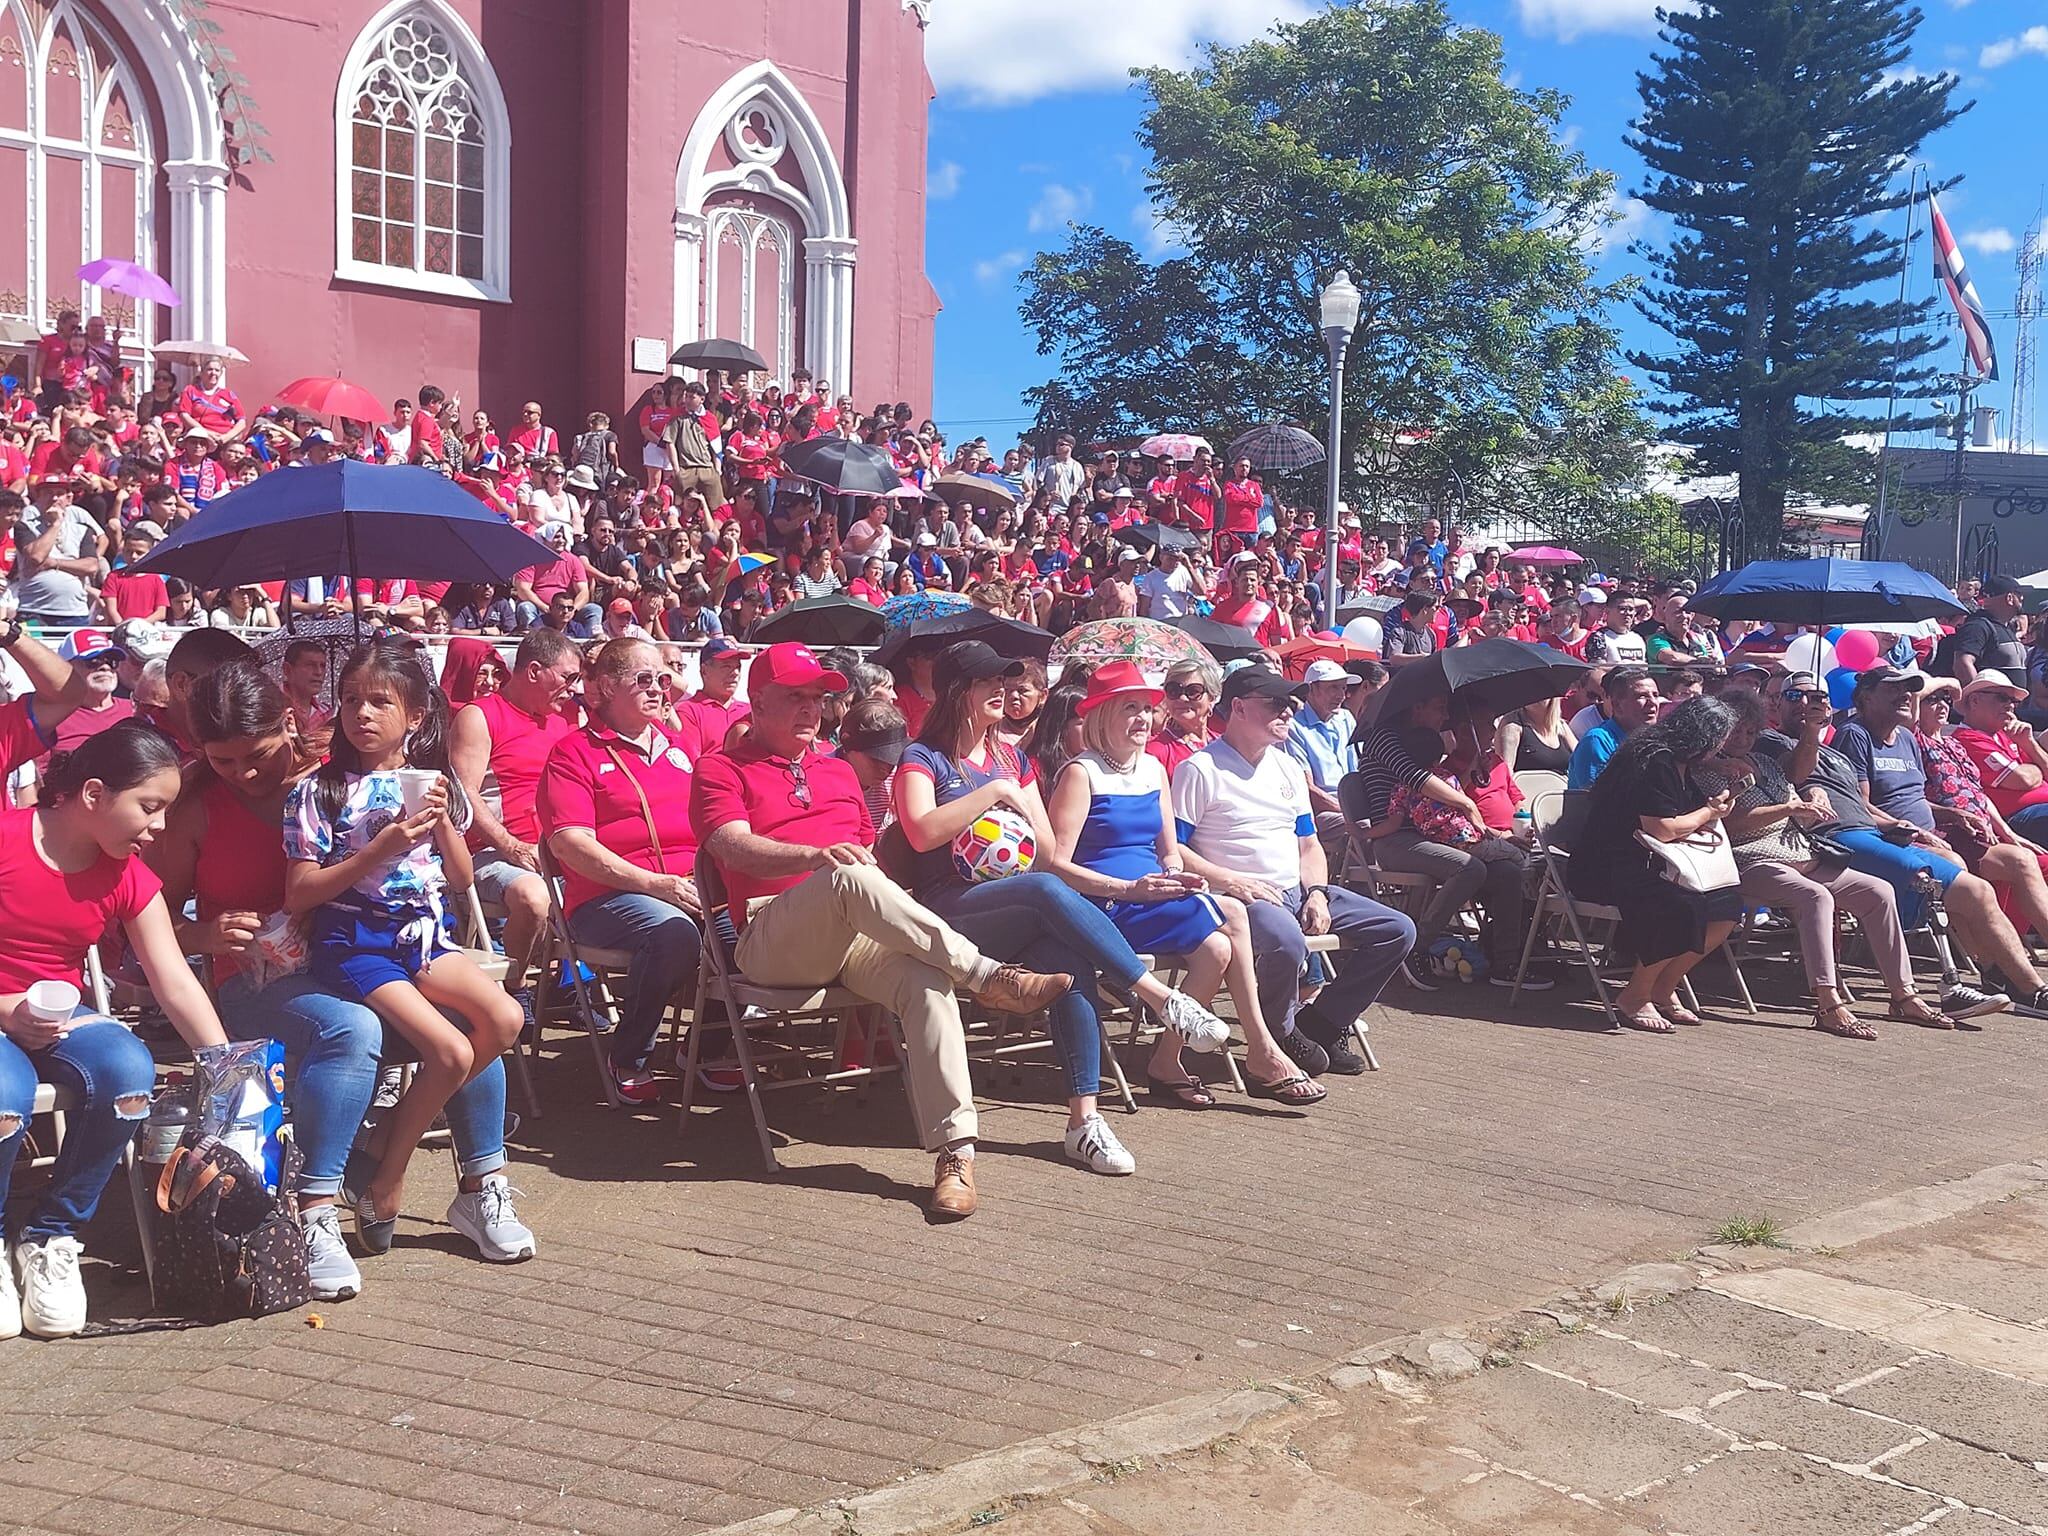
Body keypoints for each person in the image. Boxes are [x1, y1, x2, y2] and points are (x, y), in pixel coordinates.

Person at [156, 661, 532, 1296]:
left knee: (476, 1015)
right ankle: (316, 1210)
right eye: (222, 761)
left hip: (366, 954)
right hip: (258, 980)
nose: (244, 773)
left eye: (257, 754)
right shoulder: (196, 812)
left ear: (287, 724)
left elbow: (445, 862)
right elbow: (146, 929)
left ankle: (480, 1185)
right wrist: (202, 934)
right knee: (351, 1027)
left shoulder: (338, 780)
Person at [691, 643, 1074, 1219]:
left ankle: (955, 1155)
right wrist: (816, 855)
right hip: (771, 933)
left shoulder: (837, 768)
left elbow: (873, 852)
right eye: (793, 698)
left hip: (853, 926)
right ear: (757, 701)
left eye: (818, 699)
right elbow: (729, 844)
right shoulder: (721, 768)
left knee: (926, 981)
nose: (808, 710)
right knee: (848, 874)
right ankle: (986, 974)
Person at [892, 642, 1239, 1175]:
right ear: (958, 692)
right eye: (988, 684)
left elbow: (1050, 856)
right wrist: (994, 795)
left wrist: (1024, 799)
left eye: (1004, 683)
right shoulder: (924, 758)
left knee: (1068, 961)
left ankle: (1084, 1123)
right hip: (948, 911)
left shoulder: (1013, 760)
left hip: (1014, 906)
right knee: (1049, 892)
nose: (1002, 692)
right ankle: (1156, 995)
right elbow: (919, 834)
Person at [283, 640, 524, 1254]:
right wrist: (377, 850)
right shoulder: (319, 792)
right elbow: (299, 894)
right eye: (350, 701)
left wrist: (442, 818)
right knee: (446, 1050)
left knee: (504, 1016)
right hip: (355, 941)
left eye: (379, 703)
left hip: (423, 938)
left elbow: (464, 879)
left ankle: (384, 1137)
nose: (361, 714)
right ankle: (388, 1178)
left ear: (414, 718)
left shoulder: (433, 784)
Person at [0, 723, 236, 1338]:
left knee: (129, 1071)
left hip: (59, 1016)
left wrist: (228, 1067)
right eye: (150, 807)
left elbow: (175, 981)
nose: (159, 826)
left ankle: (53, 1236)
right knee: (4, 1095)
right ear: (94, 794)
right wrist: (7, 1011)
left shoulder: (128, 873)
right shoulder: (7, 840)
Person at [1045, 663, 1324, 1103]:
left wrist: (1178, 876)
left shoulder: (1153, 768)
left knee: (1216, 949)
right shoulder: (1082, 773)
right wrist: (1129, 889)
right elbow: (1055, 864)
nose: (1142, 718)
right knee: (1231, 910)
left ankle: (1166, 1060)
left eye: (1146, 709)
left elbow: (1170, 851)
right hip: (1104, 901)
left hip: (1153, 893)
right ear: (1102, 715)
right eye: (1129, 709)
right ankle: (1261, 1046)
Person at [1173, 666, 1416, 1065]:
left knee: (1397, 930)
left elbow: (1308, 844)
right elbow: (1174, 849)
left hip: (1297, 890)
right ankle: (1278, 1037)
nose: (1287, 711)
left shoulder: (1285, 765)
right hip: (1241, 899)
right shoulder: (1200, 770)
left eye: (1290, 703)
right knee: (1287, 940)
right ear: (1238, 708)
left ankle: (1322, 1023)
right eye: (1275, 703)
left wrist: (1317, 893)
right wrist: (1229, 880)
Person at [1756, 671, 2029, 1018]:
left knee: (1961, 880)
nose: (1808, 703)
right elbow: (1796, 775)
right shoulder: (1770, 741)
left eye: (1819, 698)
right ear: (1776, 703)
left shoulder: (1836, 756)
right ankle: (1996, 985)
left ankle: (1988, 980)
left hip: (1871, 832)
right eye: (1795, 697)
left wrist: (1902, 825)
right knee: (1964, 887)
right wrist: (1810, 748)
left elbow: (1862, 805)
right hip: (1833, 841)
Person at [1697, 690, 1957, 1037]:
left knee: (1878, 891)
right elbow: (1732, 823)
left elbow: (1797, 792)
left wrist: (1811, 798)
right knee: (1816, 897)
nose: (1743, 739)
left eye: (1749, 731)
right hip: (1750, 859)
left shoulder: (1768, 763)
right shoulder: (1708, 770)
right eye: (1736, 731)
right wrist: (1789, 809)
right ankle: (1828, 1003)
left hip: (1800, 853)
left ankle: (1903, 995)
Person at [537, 638, 703, 1104]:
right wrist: (654, 884)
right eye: (644, 679)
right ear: (607, 686)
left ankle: (706, 1045)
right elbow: (570, 843)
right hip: (604, 897)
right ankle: (629, 1054)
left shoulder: (679, 749)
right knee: (674, 934)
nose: (658, 690)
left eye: (664, 680)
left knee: (743, 929)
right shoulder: (574, 753)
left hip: (688, 888)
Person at [1567, 697, 1743, 1032]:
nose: (1722, 747)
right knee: (1680, 904)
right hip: (1607, 865)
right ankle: (1635, 995)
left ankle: (1664, 986)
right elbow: (1661, 828)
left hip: (1650, 861)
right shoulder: (1652, 760)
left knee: (1727, 905)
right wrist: (1710, 812)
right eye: (1721, 739)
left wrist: (1709, 805)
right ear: (1704, 735)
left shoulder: (1679, 763)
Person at [1348, 693, 1541, 989]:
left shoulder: (1424, 740)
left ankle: (1505, 963)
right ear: (1417, 706)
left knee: (1507, 871)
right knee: (1469, 868)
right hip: (1396, 838)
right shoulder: (1383, 738)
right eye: (1439, 709)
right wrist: (1467, 805)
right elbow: (1416, 778)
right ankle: (1415, 947)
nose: (1445, 718)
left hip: (1432, 837)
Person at [449, 628, 581, 990]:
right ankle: (514, 986)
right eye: (568, 677)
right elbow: (464, 796)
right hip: (494, 852)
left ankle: (574, 982)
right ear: (535, 671)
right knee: (534, 897)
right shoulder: (480, 716)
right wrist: (512, 846)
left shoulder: (564, 719)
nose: (573, 687)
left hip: (557, 851)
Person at [1950, 670, 2048, 842]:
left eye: (2014, 701)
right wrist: (2035, 769)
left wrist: (2030, 744)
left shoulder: (2011, 733)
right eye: (2002, 698)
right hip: (2017, 819)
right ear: (1975, 700)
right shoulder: (1967, 739)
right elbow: (2022, 779)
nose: (2010, 705)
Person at [1567, 664, 1659, 788]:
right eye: (1641, 696)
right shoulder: (1597, 742)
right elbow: (1594, 800)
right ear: (1617, 705)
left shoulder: (1657, 740)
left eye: (1655, 695)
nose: (1652, 702)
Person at [1934, 574, 2028, 684]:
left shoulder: (2006, 628)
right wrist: (1980, 695)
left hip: (2010, 700)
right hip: (1991, 700)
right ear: (2009, 598)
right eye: (2019, 594)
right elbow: (1962, 664)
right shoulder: (1978, 626)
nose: (2022, 598)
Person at [671, 636, 749, 759]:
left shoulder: (749, 710)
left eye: (737, 667)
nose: (735, 673)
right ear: (704, 671)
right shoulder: (689, 711)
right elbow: (690, 761)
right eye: (727, 666)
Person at [1148, 660, 1216, 781]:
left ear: (1211, 697)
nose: (1182, 698)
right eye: (1173, 690)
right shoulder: (1156, 751)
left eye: (1193, 691)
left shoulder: (1223, 742)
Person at [1499, 693, 1575, 778]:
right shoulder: (1513, 725)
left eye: (1541, 691)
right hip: (1528, 789)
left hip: (1562, 788)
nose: (1534, 695)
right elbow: (1506, 772)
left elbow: (1581, 758)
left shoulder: (1561, 726)